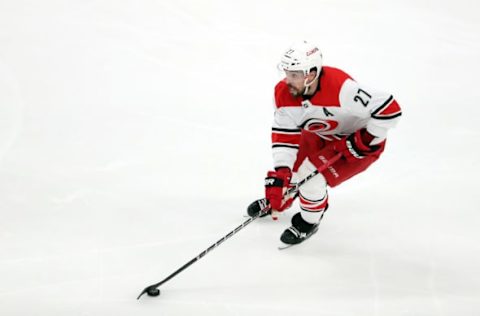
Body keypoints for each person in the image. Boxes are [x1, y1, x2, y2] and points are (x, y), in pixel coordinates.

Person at [247, 40, 402, 246]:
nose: (287, 80)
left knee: (310, 179)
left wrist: (368, 138)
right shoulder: (284, 93)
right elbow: (284, 133)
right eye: (286, 73)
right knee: (292, 170)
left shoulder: (342, 89)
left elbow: (390, 108)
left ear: (311, 74)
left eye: (294, 75)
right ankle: (283, 198)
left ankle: (309, 221)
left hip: (355, 144)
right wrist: (282, 171)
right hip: (321, 132)